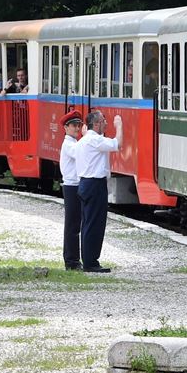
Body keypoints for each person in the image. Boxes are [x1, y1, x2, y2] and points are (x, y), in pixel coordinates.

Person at [74, 110, 123, 273]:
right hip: (94, 185)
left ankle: (89, 260)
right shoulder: (95, 140)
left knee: (88, 223)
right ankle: (91, 262)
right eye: (103, 121)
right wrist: (119, 126)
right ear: (96, 124)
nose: (106, 123)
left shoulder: (83, 141)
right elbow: (117, 144)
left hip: (85, 183)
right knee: (95, 224)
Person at [58, 109, 85, 271]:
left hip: (75, 186)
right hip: (71, 187)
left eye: (78, 125)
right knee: (72, 226)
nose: (76, 128)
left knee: (75, 224)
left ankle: (73, 259)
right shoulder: (69, 145)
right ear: (65, 128)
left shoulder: (74, 143)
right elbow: (81, 153)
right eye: (74, 125)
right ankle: (71, 261)